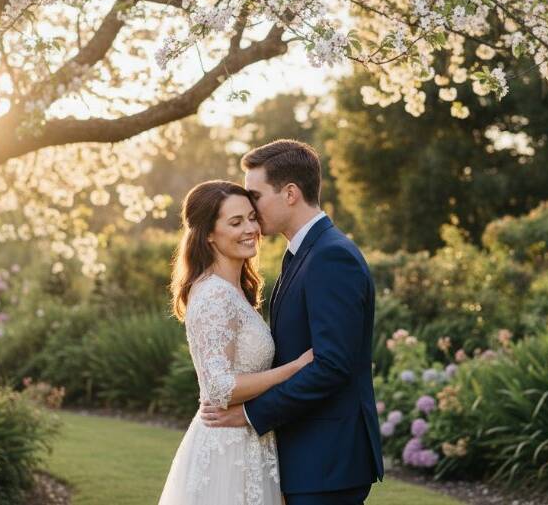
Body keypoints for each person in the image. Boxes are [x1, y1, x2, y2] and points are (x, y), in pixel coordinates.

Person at [201, 140, 384, 505]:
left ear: (290, 193)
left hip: (327, 460)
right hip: (306, 456)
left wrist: (252, 414)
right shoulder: (301, 254)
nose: (251, 207)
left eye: (256, 195)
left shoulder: (331, 256)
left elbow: (332, 366)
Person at [158, 180, 314, 505]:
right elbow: (219, 388)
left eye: (251, 218)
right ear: (209, 234)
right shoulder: (215, 294)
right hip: (227, 451)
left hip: (249, 441)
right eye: (235, 222)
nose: (251, 229)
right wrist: (293, 369)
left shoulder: (234, 292)